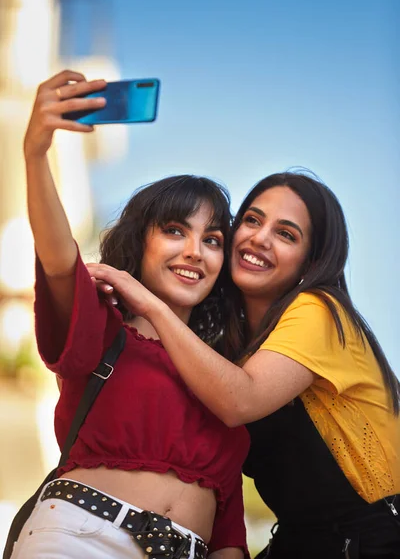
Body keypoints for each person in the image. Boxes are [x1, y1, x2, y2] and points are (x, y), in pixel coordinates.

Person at [88, 172, 400, 558]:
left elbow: (241, 400)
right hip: (300, 541)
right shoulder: (231, 356)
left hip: (371, 537)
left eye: (286, 234)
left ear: (311, 261)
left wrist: (150, 302)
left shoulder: (319, 310)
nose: (260, 238)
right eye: (252, 220)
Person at [12, 70, 250, 559]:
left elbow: (229, 537)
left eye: (212, 240)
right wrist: (36, 153)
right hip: (80, 539)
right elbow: (59, 261)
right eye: (174, 231)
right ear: (140, 242)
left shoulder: (229, 384)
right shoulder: (103, 327)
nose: (194, 252)